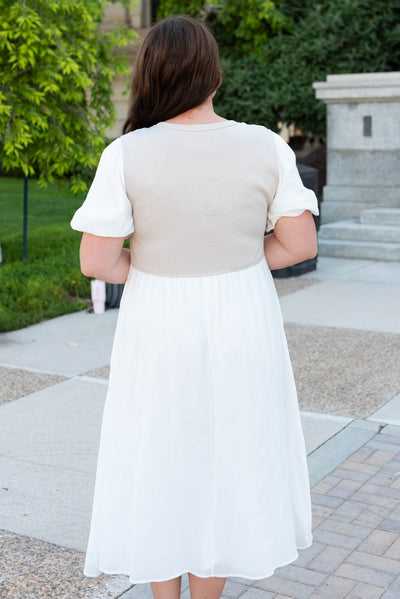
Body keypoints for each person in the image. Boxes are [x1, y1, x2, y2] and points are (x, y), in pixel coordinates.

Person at [70, 15, 319, 599]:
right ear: (213, 74)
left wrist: (155, 269)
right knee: (228, 458)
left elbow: (96, 262)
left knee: (161, 457)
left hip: (159, 320)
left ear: (150, 74)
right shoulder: (265, 144)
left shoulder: (127, 153)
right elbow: (299, 245)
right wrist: (236, 258)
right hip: (243, 315)